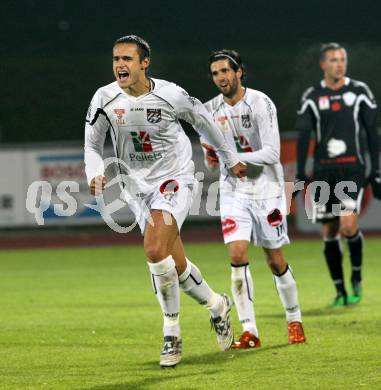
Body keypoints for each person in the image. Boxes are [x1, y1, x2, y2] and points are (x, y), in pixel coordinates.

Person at [84, 35, 247, 367]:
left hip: (175, 181)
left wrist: (229, 158)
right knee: (175, 265)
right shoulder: (104, 97)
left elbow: (204, 122)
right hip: (136, 189)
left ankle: (171, 333)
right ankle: (218, 305)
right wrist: (95, 170)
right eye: (116, 58)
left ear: (145, 63)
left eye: (127, 59)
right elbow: (92, 142)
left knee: (154, 250)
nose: (120, 65)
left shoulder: (170, 94)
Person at [201, 49, 306, 348]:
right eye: (215, 73)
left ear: (239, 72)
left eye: (225, 71)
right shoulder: (209, 110)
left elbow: (273, 153)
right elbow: (211, 156)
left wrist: (231, 156)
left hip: (267, 190)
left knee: (275, 259)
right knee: (237, 256)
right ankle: (250, 332)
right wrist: (212, 156)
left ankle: (294, 318)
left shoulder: (261, 102)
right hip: (234, 191)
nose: (221, 77)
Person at [295, 42, 381, 306]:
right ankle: (340, 290)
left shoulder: (359, 91)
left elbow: (371, 132)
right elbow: (304, 135)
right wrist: (300, 171)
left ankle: (356, 278)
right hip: (324, 171)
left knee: (347, 225)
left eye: (342, 59)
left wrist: (375, 170)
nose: (339, 64)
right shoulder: (312, 95)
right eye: (333, 60)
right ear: (323, 64)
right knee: (330, 231)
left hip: (351, 168)